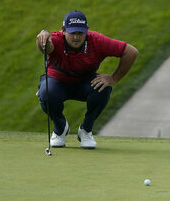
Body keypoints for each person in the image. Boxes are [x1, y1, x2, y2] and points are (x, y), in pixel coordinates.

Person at [36, 10, 139, 149]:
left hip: (84, 82)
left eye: (80, 33)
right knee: (46, 91)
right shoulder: (55, 39)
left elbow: (131, 52)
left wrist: (113, 78)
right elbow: (46, 48)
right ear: (63, 31)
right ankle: (60, 129)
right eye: (72, 33)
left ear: (87, 31)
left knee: (103, 87)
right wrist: (42, 39)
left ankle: (86, 130)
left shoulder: (97, 41)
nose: (76, 37)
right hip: (57, 82)